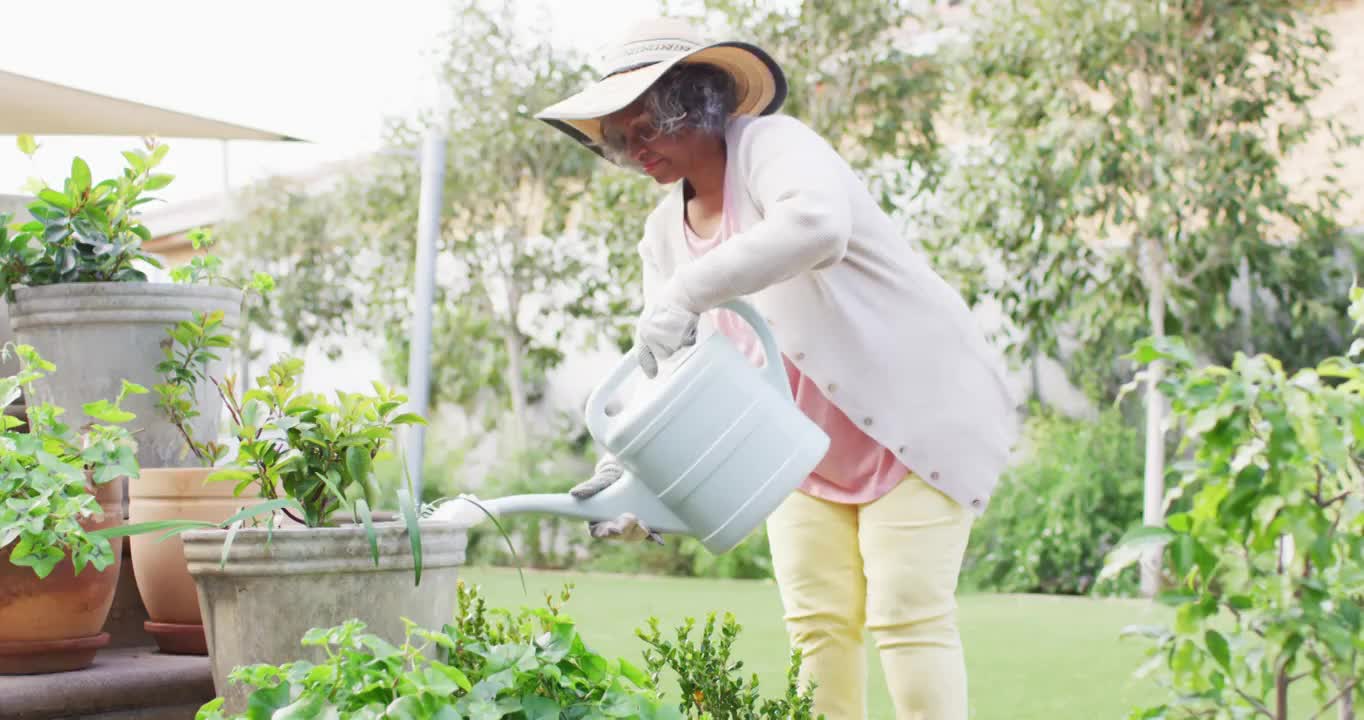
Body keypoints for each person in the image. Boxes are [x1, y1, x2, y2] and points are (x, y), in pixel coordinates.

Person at [535, 17, 1019, 720]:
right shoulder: (663, 235)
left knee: (907, 616)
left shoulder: (774, 147)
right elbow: (666, 366)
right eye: (619, 138)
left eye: (646, 127)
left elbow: (817, 226)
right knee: (817, 629)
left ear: (695, 104)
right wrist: (630, 473)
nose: (634, 150)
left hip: (917, 425)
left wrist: (687, 292)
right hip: (796, 453)